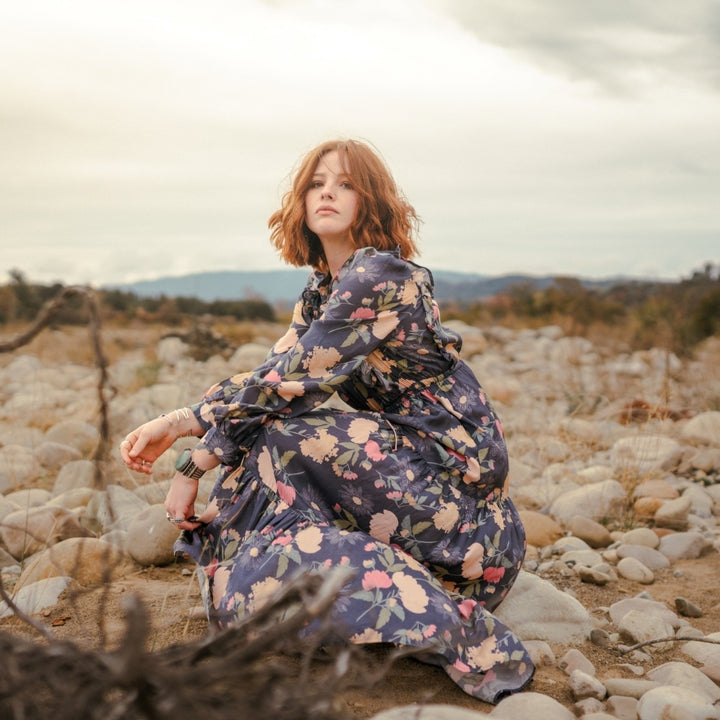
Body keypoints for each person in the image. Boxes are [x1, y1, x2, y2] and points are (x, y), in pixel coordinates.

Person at [119, 139, 534, 703]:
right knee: (272, 445)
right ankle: (280, 575)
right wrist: (204, 446)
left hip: (461, 502)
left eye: (345, 183)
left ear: (372, 200)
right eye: (317, 183)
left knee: (286, 441)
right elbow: (274, 378)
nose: (328, 193)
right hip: (411, 479)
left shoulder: (381, 277)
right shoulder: (323, 288)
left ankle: (451, 624)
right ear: (302, 199)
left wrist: (188, 435)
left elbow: (293, 378)